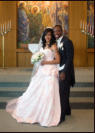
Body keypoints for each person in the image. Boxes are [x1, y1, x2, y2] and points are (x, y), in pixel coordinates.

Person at [6, 28, 61, 127]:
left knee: (48, 93)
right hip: (41, 70)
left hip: (50, 71)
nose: (47, 36)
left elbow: (57, 60)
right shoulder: (43, 46)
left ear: (52, 36)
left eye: (49, 35)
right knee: (35, 91)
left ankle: (46, 115)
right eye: (46, 35)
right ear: (44, 36)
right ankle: (35, 113)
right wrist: (38, 66)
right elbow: (39, 60)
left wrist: (46, 62)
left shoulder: (54, 46)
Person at [53, 25, 75, 123]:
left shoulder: (67, 42)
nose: (56, 33)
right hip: (58, 70)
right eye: (55, 31)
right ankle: (67, 110)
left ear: (62, 31)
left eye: (58, 31)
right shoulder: (55, 43)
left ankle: (61, 117)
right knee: (63, 92)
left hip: (65, 72)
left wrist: (64, 72)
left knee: (62, 93)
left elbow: (70, 59)